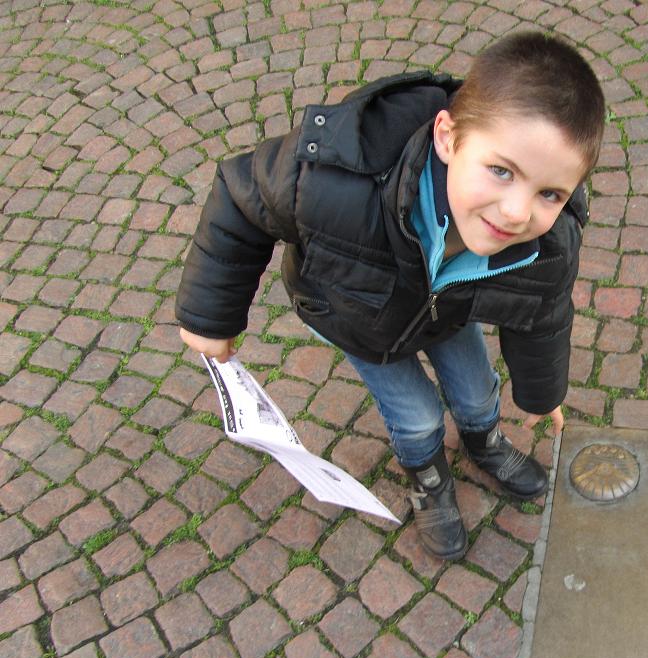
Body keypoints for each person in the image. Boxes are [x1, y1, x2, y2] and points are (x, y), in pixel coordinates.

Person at [175, 31, 606, 561]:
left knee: (475, 391)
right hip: (357, 313)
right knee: (418, 416)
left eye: (549, 193)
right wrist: (210, 316)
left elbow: (543, 314)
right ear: (449, 138)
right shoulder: (331, 176)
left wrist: (541, 394)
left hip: (446, 309)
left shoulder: (547, 243)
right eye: (501, 171)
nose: (518, 213)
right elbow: (241, 198)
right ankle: (426, 472)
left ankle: (482, 441)